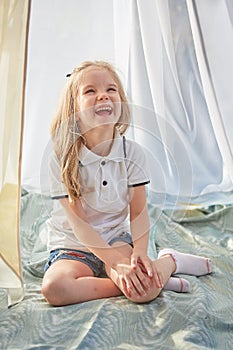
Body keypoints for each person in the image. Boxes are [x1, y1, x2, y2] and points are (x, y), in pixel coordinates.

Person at [41, 60, 213, 306]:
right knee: (55, 289)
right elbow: (79, 225)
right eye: (90, 91)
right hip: (74, 246)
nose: (103, 96)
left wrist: (139, 254)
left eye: (111, 90)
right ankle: (158, 276)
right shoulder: (61, 157)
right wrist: (117, 266)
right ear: (73, 110)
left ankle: (170, 261)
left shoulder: (133, 154)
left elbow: (139, 211)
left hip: (115, 237)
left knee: (144, 293)